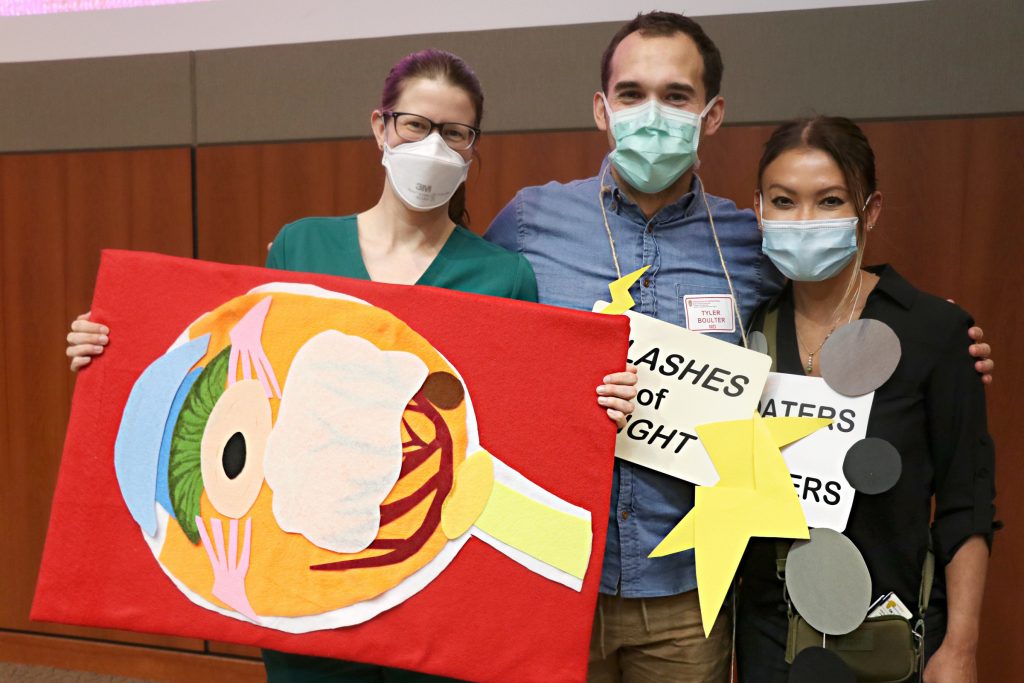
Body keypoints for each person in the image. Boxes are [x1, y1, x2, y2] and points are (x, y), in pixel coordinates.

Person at [65, 48, 638, 682]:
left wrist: (594, 402)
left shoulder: (502, 275)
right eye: (416, 125)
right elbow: (231, 368)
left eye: (454, 133)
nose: (433, 145)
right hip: (305, 577)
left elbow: (517, 419)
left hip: (430, 582)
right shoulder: (302, 246)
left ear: (474, 148)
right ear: (381, 127)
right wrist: (113, 350)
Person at [484, 11, 994, 682]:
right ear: (602, 110)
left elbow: (833, 286)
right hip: (552, 571)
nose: (653, 113)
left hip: (688, 591)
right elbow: (478, 351)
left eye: (677, 95)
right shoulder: (528, 222)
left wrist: (945, 334)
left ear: (712, 112)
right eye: (632, 94)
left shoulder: (751, 242)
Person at [735, 116, 996, 683]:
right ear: (758, 209)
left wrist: (962, 647)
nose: (804, 221)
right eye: (784, 201)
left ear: (869, 211)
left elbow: (965, 502)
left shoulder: (932, 331)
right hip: (768, 637)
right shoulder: (747, 329)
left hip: (888, 634)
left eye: (829, 201)